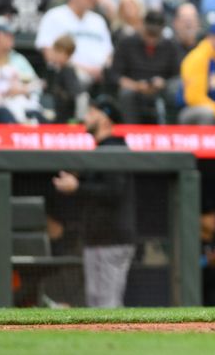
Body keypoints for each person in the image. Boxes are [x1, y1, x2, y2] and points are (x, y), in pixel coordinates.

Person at [51, 95, 136, 308]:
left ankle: (117, 342)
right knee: (96, 303)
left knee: (108, 304)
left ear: (106, 118)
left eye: (91, 113)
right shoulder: (100, 150)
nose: (85, 118)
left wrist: (77, 186)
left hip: (113, 238)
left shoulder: (115, 148)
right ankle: (105, 342)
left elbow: (114, 191)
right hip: (98, 238)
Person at [35, 0, 113, 87]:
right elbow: (50, 54)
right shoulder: (54, 16)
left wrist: (102, 69)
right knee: (72, 75)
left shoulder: (98, 20)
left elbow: (109, 53)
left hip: (101, 75)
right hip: (71, 74)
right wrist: (85, 69)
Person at [111, 11, 180, 124]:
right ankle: (131, 133)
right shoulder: (127, 43)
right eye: (149, 33)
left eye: (155, 35)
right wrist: (136, 86)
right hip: (134, 87)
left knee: (173, 91)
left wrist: (163, 83)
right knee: (126, 94)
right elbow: (115, 75)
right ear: (142, 27)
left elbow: (176, 75)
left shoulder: (171, 46)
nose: (151, 39)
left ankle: (168, 134)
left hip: (160, 89)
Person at [43, 35, 83, 124]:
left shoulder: (68, 71)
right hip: (57, 113)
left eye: (57, 51)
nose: (54, 54)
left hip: (66, 117)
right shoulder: (55, 70)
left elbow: (74, 94)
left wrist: (59, 92)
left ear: (65, 54)